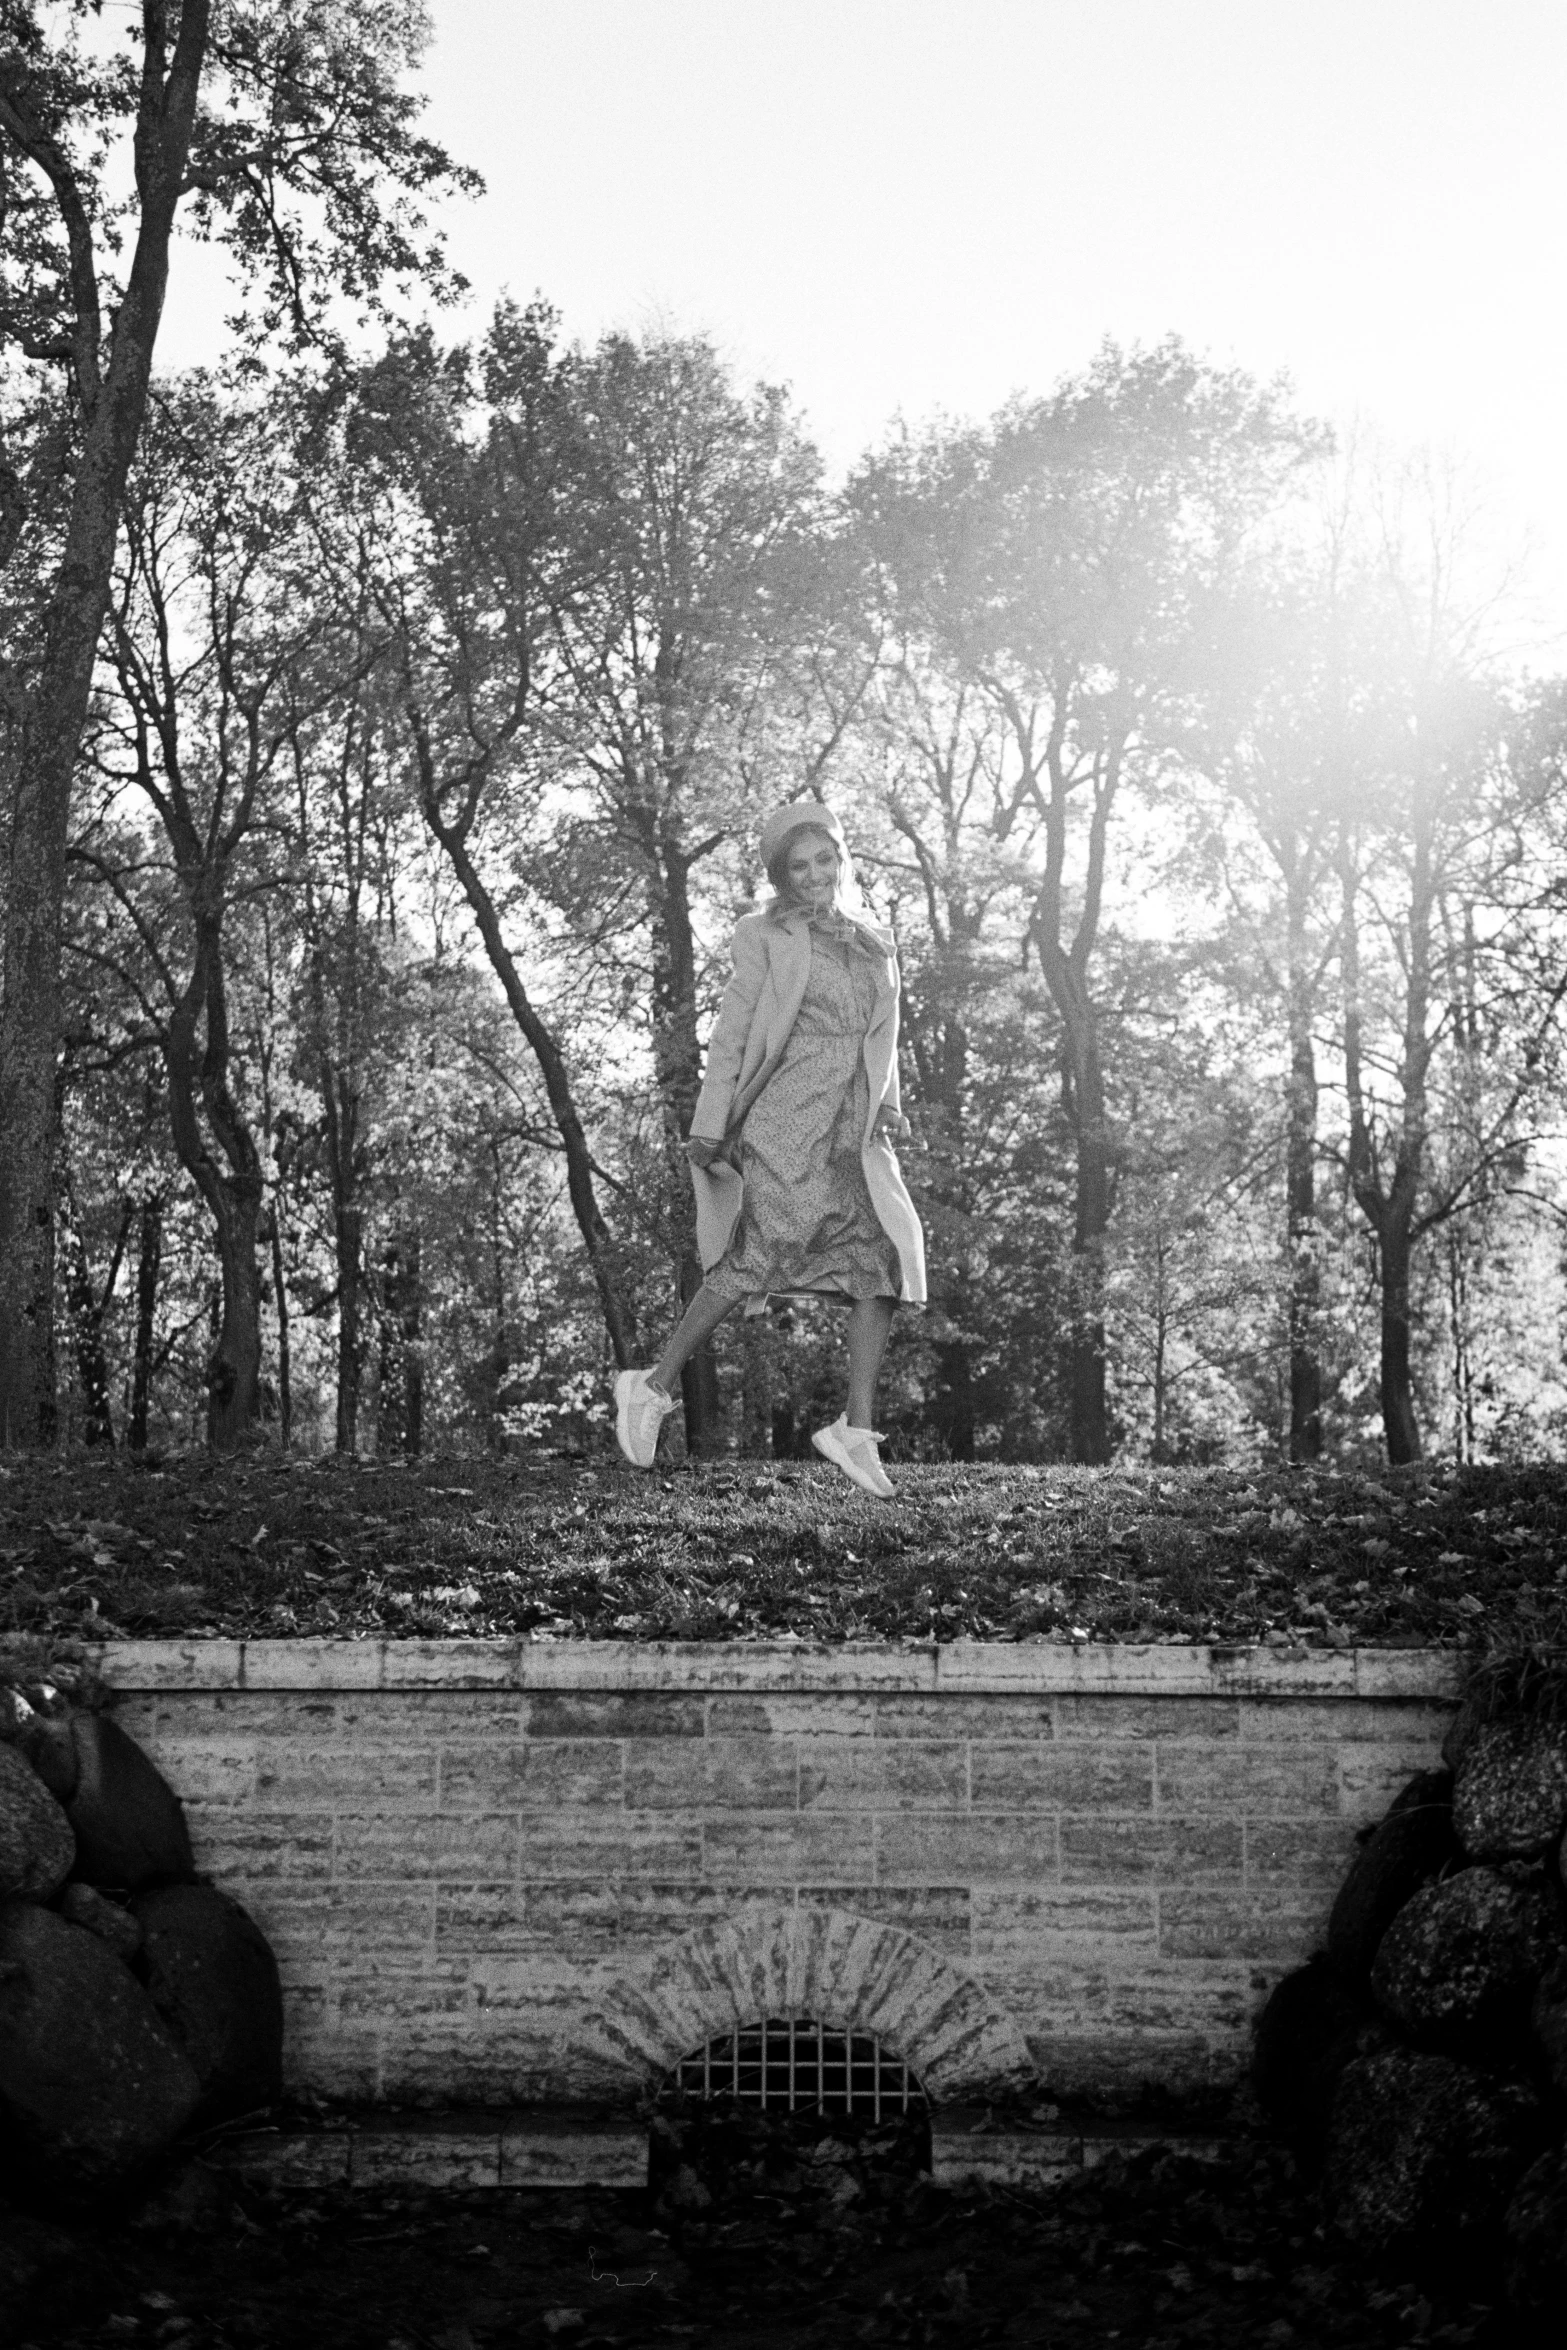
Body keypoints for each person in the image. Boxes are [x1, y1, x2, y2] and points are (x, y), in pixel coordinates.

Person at [614, 800, 925, 1496]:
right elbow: (733, 1028)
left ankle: (854, 1428)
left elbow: (884, 1034)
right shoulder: (764, 935)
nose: (814, 874)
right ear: (780, 875)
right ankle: (653, 1387)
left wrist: (891, 1105)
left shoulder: (874, 937)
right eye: (798, 865)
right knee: (762, 1251)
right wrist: (710, 1118)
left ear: (841, 859)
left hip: (852, 1119)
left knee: (882, 1264)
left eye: (824, 859)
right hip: (785, 1110)